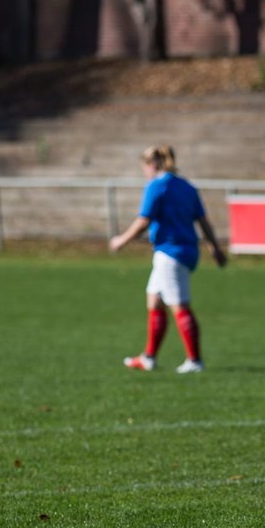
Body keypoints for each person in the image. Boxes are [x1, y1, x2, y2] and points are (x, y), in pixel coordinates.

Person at [110, 145, 227, 374]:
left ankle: (194, 361)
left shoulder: (156, 186)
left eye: (144, 167)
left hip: (170, 253)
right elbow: (202, 221)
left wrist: (121, 240)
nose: (144, 172)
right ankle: (148, 358)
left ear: (152, 165)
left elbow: (144, 220)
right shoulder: (187, 187)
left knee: (179, 305)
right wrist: (214, 248)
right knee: (154, 300)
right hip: (186, 250)